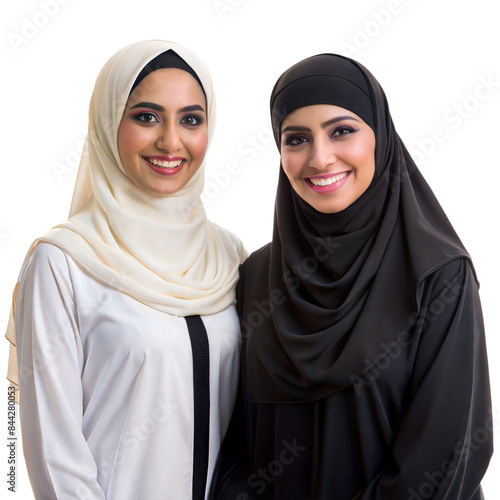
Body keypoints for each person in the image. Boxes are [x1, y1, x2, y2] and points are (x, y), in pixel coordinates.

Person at [209, 54, 493, 499]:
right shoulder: (257, 276)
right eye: (296, 138)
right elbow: (233, 442)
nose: (320, 158)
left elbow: (446, 457)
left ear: (380, 136)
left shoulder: (438, 276)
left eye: (342, 130)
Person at [5, 40, 246, 499]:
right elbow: (54, 453)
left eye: (191, 119)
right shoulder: (63, 261)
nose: (171, 141)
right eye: (146, 116)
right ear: (107, 122)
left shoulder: (229, 255)